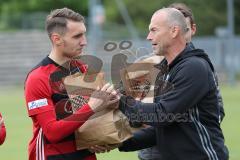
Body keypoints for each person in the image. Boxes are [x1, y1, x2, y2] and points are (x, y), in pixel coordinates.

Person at [117, 7, 229, 160]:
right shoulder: (165, 69)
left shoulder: (194, 67)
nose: (149, 37)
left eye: (154, 30)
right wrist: (120, 142)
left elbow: (161, 115)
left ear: (174, 31)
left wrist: (119, 101)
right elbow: (165, 129)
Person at [24, 8, 118, 160]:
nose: (84, 42)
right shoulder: (38, 78)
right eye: (77, 36)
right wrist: (92, 106)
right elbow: (52, 132)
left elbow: (93, 118)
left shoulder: (83, 69)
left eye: (84, 34)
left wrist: (110, 104)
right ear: (57, 39)